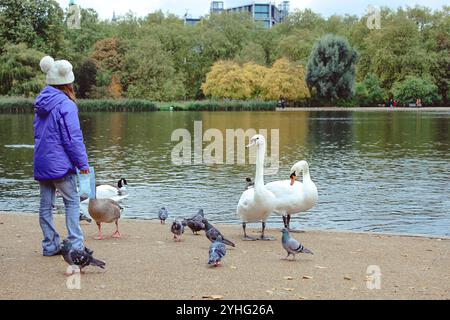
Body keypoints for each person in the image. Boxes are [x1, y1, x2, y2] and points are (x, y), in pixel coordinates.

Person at [34, 56, 90, 256]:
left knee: (46, 205)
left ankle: (50, 246)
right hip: (61, 165)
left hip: (42, 162)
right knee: (72, 201)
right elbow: (73, 139)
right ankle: (76, 245)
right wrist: (83, 164)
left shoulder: (41, 102)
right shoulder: (66, 104)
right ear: (68, 82)